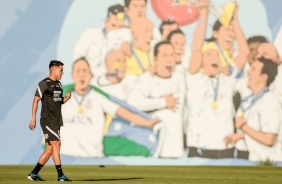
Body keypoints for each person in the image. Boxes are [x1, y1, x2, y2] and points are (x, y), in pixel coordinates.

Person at [60, 58, 160, 157]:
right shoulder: (60, 99)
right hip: (66, 155)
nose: (81, 74)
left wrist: (147, 122)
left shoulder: (98, 98)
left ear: (91, 75)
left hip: (92, 156)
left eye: (85, 71)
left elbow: (125, 113)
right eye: (78, 71)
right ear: (72, 75)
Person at [186, 0, 247, 159]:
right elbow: (197, 47)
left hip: (224, 146)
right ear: (201, 61)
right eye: (209, 54)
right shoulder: (195, 78)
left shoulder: (228, 78)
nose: (214, 57)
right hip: (198, 146)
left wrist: (235, 21)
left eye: (217, 55)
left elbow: (244, 53)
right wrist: (203, 14)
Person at [127, 41, 186, 158]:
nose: (169, 60)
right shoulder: (148, 79)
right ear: (155, 59)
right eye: (164, 55)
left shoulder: (181, 79)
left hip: (176, 150)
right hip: (154, 149)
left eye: (172, 55)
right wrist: (162, 102)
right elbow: (132, 102)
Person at [225, 57, 282, 162]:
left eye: (253, 69)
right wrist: (241, 136)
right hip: (257, 160)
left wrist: (243, 126)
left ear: (263, 77)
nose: (248, 71)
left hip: (270, 163)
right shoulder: (254, 100)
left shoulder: (269, 101)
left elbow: (269, 140)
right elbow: (261, 133)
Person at [27, 60, 72, 181]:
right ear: (54, 70)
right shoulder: (44, 83)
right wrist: (33, 118)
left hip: (56, 121)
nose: (62, 72)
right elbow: (35, 100)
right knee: (57, 144)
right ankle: (61, 175)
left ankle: (34, 173)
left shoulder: (59, 84)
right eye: (61, 70)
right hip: (47, 121)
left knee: (50, 149)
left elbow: (58, 101)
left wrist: (65, 99)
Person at [73, 4, 127, 79]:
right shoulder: (90, 34)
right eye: (113, 25)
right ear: (106, 22)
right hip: (86, 81)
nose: (116, 31)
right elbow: (77, 58)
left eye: (120, 27)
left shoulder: (124, 44)